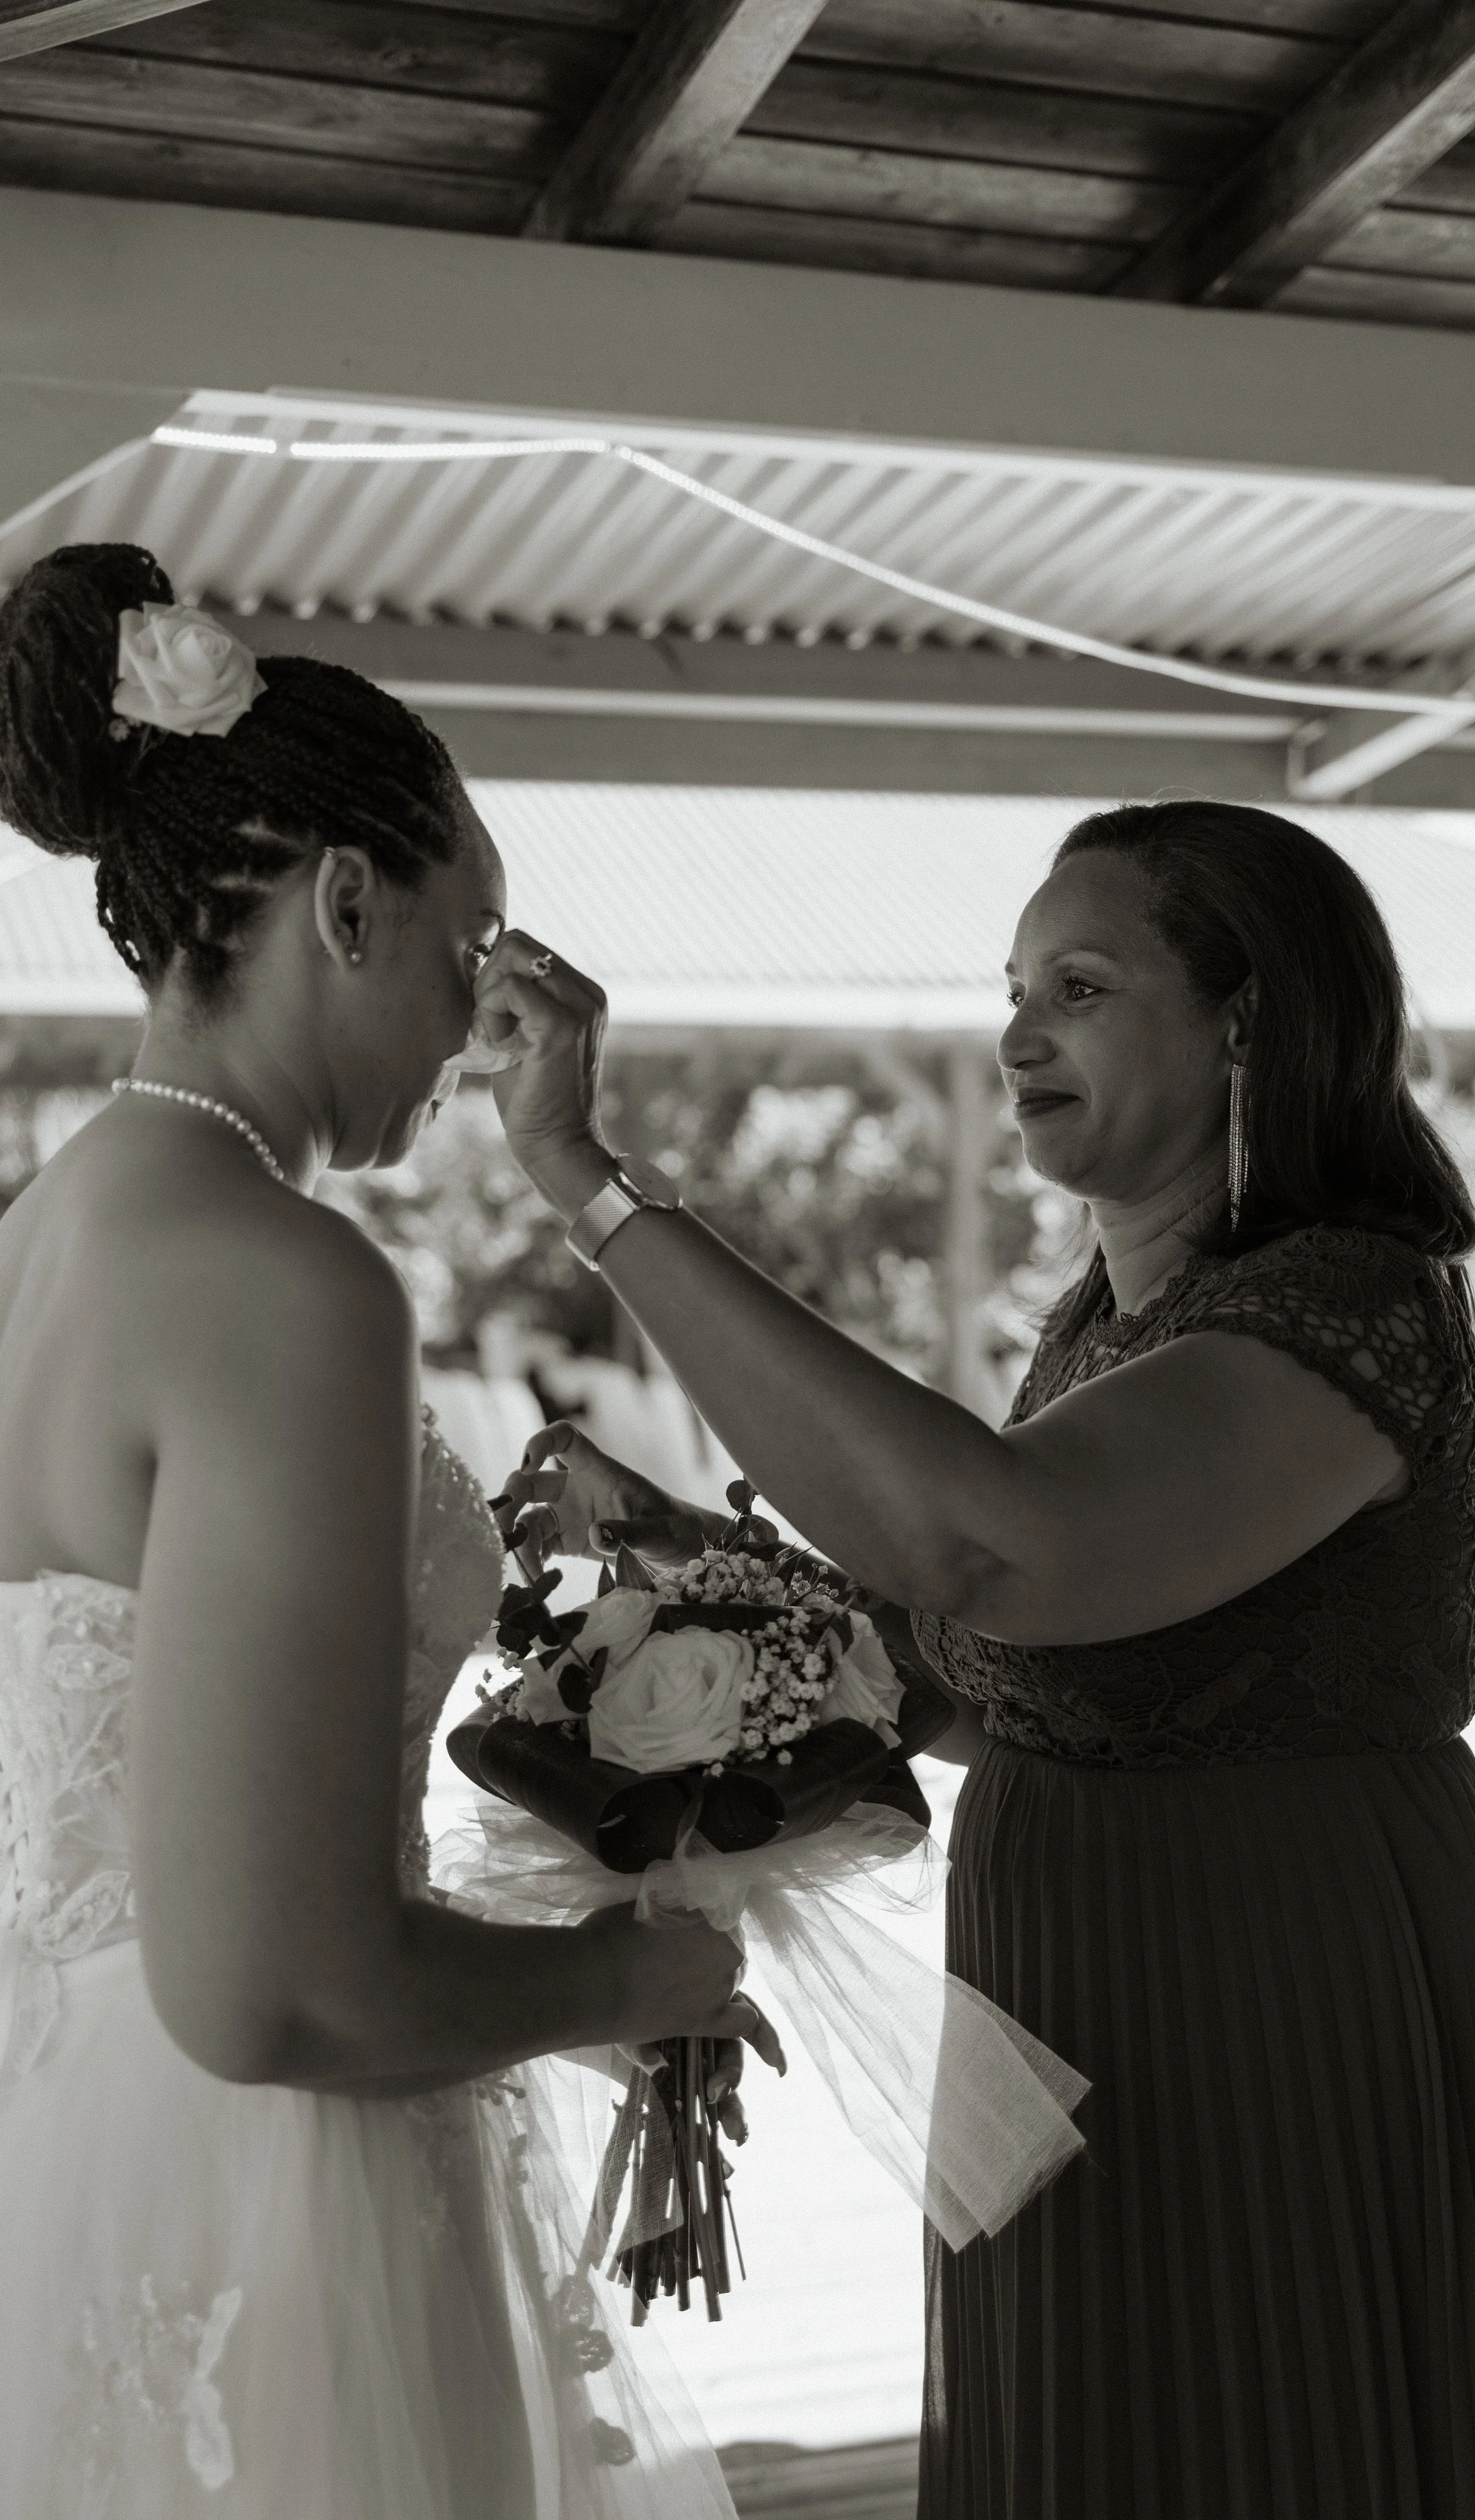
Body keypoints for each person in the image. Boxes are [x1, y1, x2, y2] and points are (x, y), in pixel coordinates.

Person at [479, 800, 1475, 2519]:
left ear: (1245, 1017)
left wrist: (590, 1180)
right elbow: (960, 1662)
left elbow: (985, 1542)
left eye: (1079, 988)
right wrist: (687, 1588)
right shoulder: (1102, 1336)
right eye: (1014, 987)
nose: (1016, 1033)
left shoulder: (1348, 1305)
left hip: (1280, 2004)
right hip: (1067, 2015)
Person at [0, 543, 781, 2520]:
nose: (488, 1010)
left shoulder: (40, 1242)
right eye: (472, 938)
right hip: (255, 2211)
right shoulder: (286, 1278)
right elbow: (276, 1982)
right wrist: (639, 1980)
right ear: (344, 902)